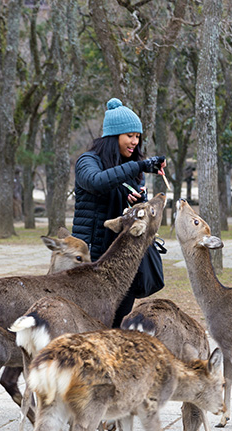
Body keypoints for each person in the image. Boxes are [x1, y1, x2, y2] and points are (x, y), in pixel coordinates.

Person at [72, 98, 167, 327]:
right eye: (130, 136)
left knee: (115, 326)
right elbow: (97, 182)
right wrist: (140, 166)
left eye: (138, 136)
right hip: (90, 261)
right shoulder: (88, 161)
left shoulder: (134, 168)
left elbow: (131, 210)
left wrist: (138, 201)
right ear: (114, 136)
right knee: (90, 326)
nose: (135, 142)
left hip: (121, 262)